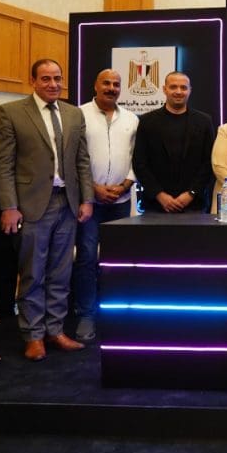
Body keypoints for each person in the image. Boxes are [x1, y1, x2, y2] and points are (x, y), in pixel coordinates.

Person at [0, 59, 94, 361]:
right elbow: (4, 164)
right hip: (31, 205)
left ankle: (55, 330)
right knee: (33, 273)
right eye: (46, 78)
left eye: (57, 78)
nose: (53, 84)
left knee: (61, 273)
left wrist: (87, 199)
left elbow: (82, 161)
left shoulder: (74, 113)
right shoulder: (11, 112)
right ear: (33, 81)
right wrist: (9, 206)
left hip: (68, 203)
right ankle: (33, 335)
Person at [74, 69, 139, 342]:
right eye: (106, 83)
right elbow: (73, 157)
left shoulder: (132, 119)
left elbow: (136, 157)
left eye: (116, 84)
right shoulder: (78, 115)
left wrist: (125, 184)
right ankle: (86, 314)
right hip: (90, 201)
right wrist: (94, 189)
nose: (111, 88)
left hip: (121, 201)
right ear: (95, 85)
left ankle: (117, 312)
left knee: (118, 259)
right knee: (87, 257)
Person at [133, 71, 215, 214]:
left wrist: (191, 193)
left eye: (183, 87)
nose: (178, 91)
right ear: (164, 89)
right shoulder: (147, 121)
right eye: (173, 87)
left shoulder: (204, 121)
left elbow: (209, 162)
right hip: (156, 206)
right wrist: (159, 195)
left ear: (190, 90)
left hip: (194, 205)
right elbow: (140, 163)